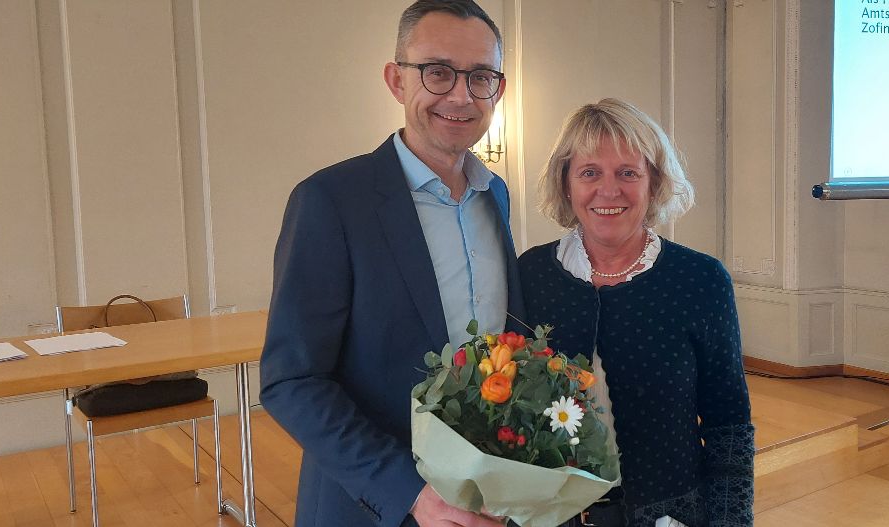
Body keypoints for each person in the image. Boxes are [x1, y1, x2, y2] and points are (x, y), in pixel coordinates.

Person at [260, 2, 523, 526]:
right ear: (396, 80)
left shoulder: (495, 194)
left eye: (480, 76)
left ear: (498, 89)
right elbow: (292, 381)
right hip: (374, 504)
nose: (460, 95)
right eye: (437, 71)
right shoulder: (331, 201)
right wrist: (410, 492)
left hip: (484, 498)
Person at [518, 99, 755, 526]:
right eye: (590, 173)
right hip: (552, 512)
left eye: (628, 173)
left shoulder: (700, 280)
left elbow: (729, 423)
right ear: (566, 184)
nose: (609, 190)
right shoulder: (531, 273)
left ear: (654, 183)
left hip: (668, 513)